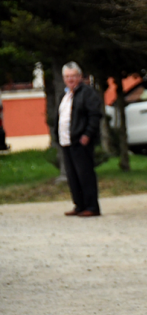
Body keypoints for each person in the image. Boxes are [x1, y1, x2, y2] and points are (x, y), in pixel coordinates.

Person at [52, 61, 102, 217]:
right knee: (73, 176)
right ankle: (79, 205)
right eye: (67, 76)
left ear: (79, 76)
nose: (70, 79)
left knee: (85, 175)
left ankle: (92, 206)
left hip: (81, 141)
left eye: (73, 76)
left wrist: (87, 135)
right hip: (66, 141)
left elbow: (94, 116)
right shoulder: (65, 95)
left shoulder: (87, 93)